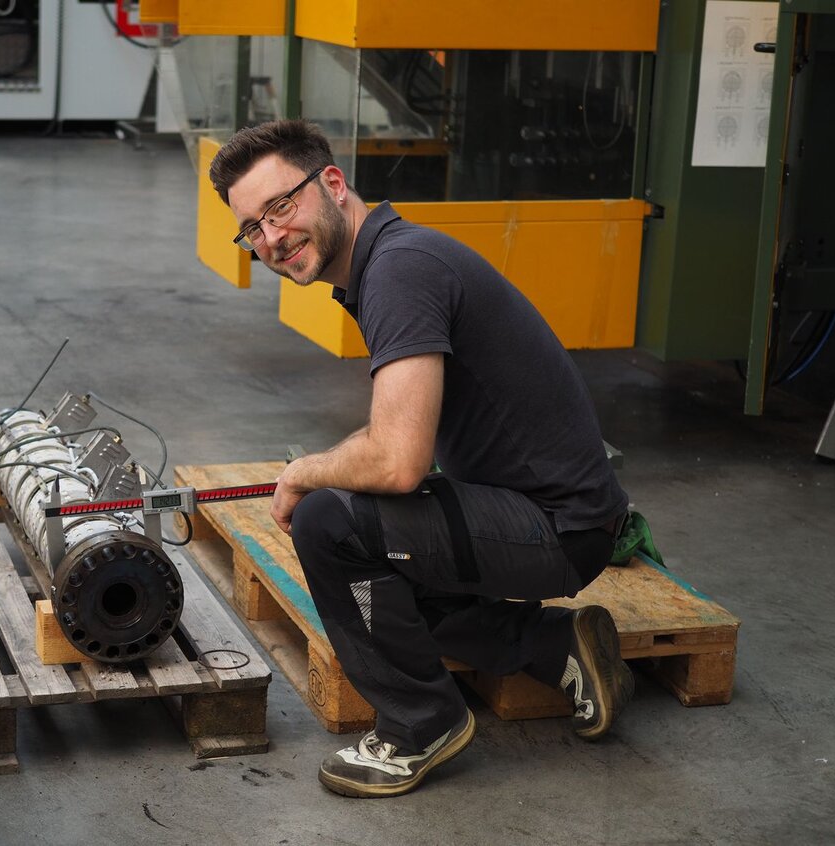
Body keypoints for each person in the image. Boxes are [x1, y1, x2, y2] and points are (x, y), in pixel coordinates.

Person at [209, 119, 634, 799]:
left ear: (333, 185)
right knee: (378, 569)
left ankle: (420, 725)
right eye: (252, 228)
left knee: (328, 523)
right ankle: (557, 647)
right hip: (538, 513)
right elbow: (397, 425)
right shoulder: (389, 261)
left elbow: (400, 463)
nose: (271, 238)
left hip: (557, 528)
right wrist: (333, 461)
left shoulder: (401, 271)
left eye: (281, 206)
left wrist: (303, 474)